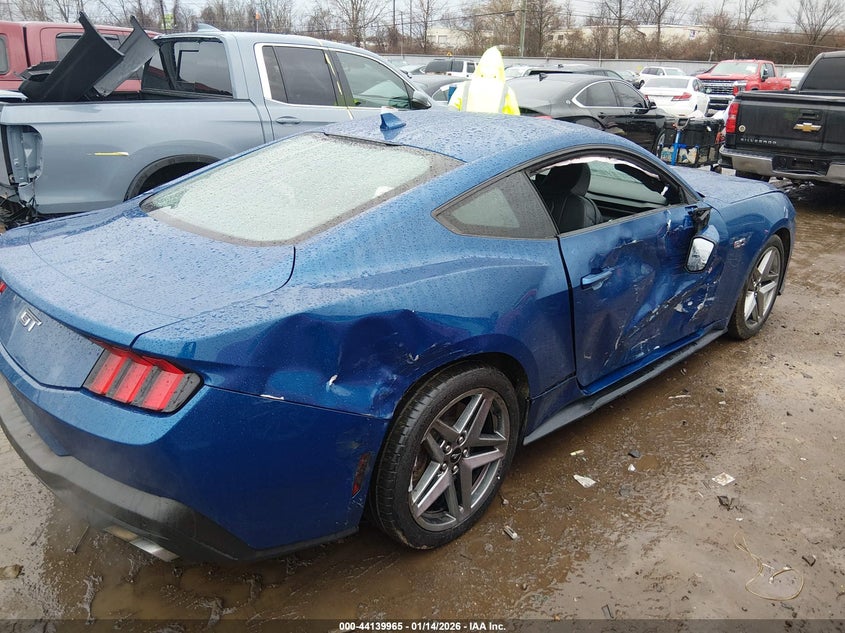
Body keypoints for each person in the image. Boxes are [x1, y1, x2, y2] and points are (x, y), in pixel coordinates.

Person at [448, 47, 519, 115]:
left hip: (466, 123)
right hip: (495, 124)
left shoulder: (465, 86)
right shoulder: (506, 91)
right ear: (500, 68)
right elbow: (515, 118)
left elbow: (451, 109)